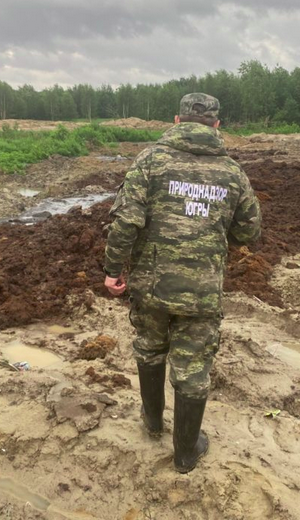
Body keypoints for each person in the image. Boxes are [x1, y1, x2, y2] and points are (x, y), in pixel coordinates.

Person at [103, 93, 262, 473]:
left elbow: (126, 221)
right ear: (216, 125)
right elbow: (250, 231)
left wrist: (113, 268)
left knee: (150, 347)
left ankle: (153, 421)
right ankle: (186, 453)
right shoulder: (232, 173)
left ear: (177, 120)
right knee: (192, 368)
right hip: (202, 291)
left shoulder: (151, 161)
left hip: (152, 285)